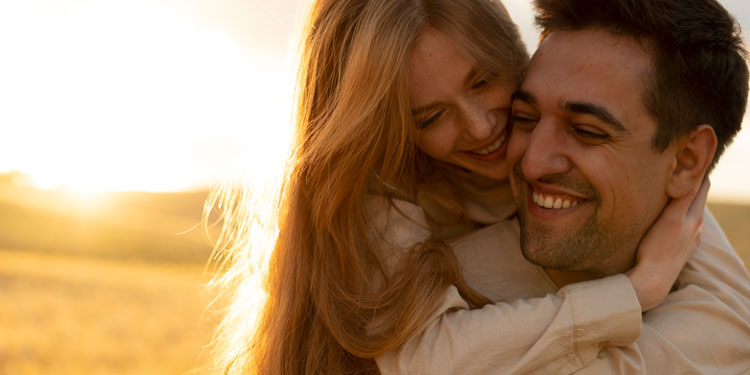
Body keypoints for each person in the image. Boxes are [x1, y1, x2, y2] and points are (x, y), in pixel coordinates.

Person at [205, 0, 745, 374]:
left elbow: (732, 323)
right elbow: (431, 362)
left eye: (486, 82)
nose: (483, 129)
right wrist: (635, 292)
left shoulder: (650, 194)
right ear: (392, 129)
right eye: (431, 116)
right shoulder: (379, 205)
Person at [377, 0, 750, 373]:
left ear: (687, 161)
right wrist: (637, 290)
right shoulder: (428, 286)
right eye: (525, 118)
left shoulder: (710, 288)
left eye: (586, 131)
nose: (531, 161)